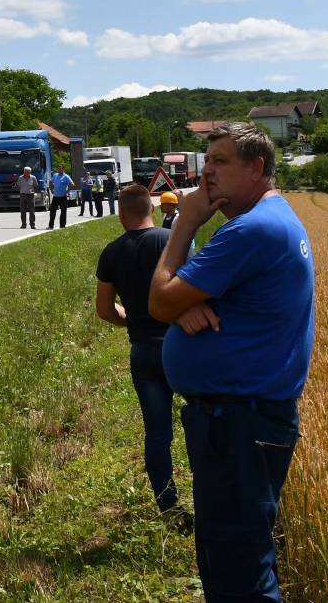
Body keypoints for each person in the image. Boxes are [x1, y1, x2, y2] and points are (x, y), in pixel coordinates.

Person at [148, 122, 315, 602]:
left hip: (239, 419)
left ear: (257, 168)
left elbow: (158, 300)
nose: (207, 175)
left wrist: (184, 223)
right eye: (207, 162)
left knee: (241, 570)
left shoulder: (252, 230)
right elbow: (177, 297)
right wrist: (184, 302)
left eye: (220, 162)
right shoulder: (270, 220)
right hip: (245, 417)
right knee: (232, 559)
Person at [95, 185, 182, 516]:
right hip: (181, 346)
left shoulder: (111, 253)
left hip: (143, 350)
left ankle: (168, 506)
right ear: (154, 209)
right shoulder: (170, 241)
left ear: (120, 214)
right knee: (205, 421)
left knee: (157, 432)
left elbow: (104, 310)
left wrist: (134, 319)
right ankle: (215, 499)